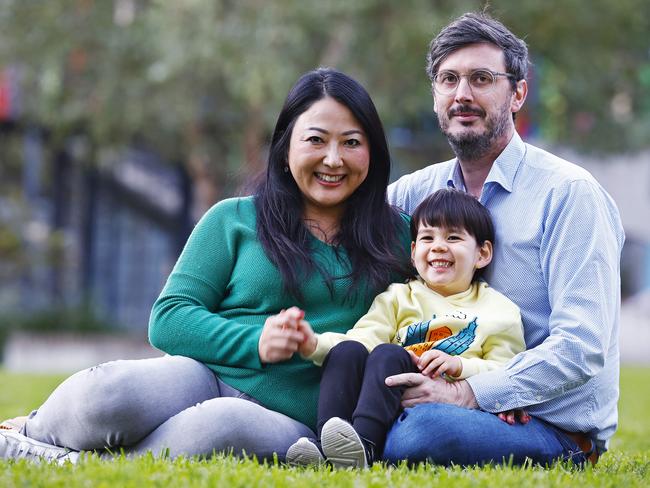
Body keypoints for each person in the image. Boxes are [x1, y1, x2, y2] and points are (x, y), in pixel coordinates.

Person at [0, 68, 412, 463]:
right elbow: (169, 318)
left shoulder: (402, 239)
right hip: (204, 374)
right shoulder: (233, 219)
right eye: (316, 140)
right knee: (107, 392)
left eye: (352, 142)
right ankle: (29, 436)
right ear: (286, 150)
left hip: (297, 419)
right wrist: (256, 343)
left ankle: (73, 465)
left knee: (219, 425)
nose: (334, 159)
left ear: (373, 152)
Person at [382, 12, 625, 466]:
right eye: (448, 79)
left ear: (518, 93)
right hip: (431, 392)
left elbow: (582, 345)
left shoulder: (569, 195)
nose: (462, 94)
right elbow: (340, 235)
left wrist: (474, 391)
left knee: (421, 433)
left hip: (547, 426)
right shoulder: (414, 193)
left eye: (481, 78)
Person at [285, 188, 526, 468]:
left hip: (434, 402)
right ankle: (326, 444)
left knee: (390, 354)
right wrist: (312, 344)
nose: (437, 246)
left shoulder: (498, 310)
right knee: (349, 350)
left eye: (453, 237)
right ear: (413, 252)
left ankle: (365, 445)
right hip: (383, 394)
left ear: (482, 253)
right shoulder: (398, 296)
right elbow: (364, 337)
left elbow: (507, 372)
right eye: (427, 238)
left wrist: (460, 366)